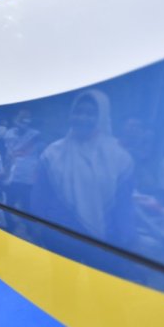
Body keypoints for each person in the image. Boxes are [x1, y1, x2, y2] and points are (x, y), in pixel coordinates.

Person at [30, 90, 134, 244]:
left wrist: (126, 237)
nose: (82, 118)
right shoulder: (52, 153)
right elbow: (39, 195)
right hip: (58, 235)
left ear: (102, 117)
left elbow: (124, 204)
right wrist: (36, 227)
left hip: (103, 240)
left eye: (91, 113)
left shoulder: (120, 158)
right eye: (78, 112)